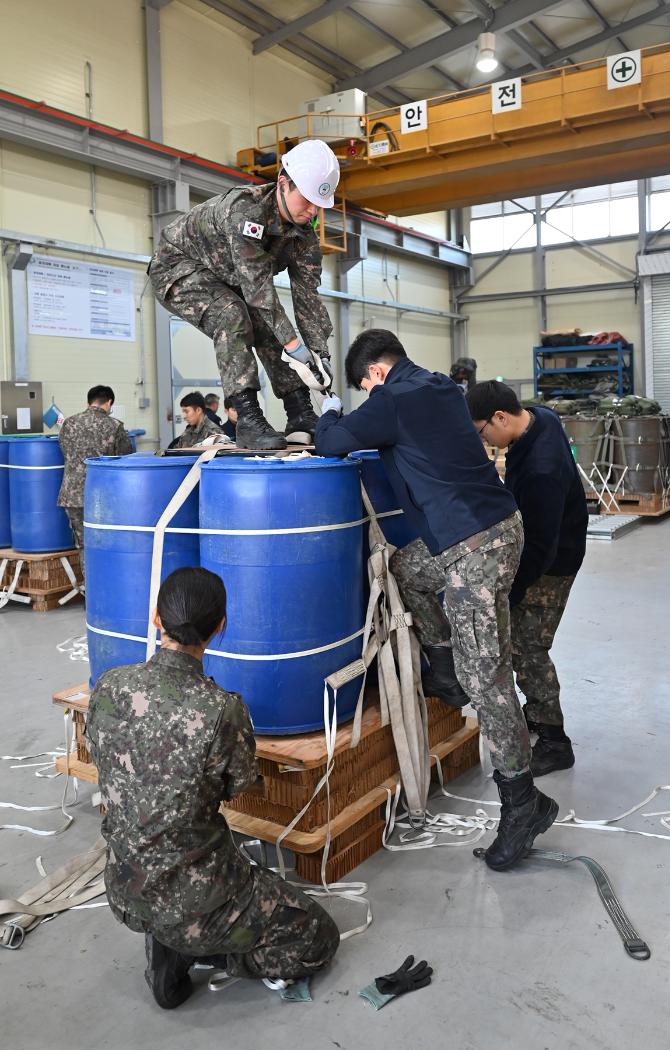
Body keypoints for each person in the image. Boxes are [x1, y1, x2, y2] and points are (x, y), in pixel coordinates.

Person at [314, 330, 558, 871]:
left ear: (375, 373)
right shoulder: (442, 387)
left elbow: (330, 442)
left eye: (363, 385)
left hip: (472, 546)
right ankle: (443, 664)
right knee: (407, 568)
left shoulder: (394, 400)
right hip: (489, 528)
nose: (365, 394)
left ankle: (524, 802)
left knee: (488, 680)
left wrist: (330, 411)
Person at [85, 566, 339, 1010]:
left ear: (155, 618)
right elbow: (237, 787)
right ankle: (198, 947)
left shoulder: (110, 686)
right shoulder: (221, 711)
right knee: (318, 937)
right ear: (221, 626)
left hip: (124, 890)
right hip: (198, 901)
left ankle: (171, 941)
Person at [148, 140, 339, 451]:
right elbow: (259, 293)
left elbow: (308, 296)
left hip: (228, 277)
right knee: (233, 314)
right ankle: (248, 416)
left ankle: (300, 412)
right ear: (282, 184)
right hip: (177, 266)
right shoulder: (246, 213)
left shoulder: (304, 234)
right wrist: (295, 348)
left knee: (270, 325)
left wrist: (319, 354)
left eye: (320, 204)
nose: (313, 211)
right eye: (306, 200)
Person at [467, 381, 588, 775]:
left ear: (501, 417)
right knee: (524, 643)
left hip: (553, 562)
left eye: (483, 432)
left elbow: (540, 549)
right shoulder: (541, 417)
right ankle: (538, 715)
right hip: (550, 541)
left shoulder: (542, 470)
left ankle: (555, 740)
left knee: (527, 648)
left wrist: (511, 592)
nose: (486, 442)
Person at [57, 385, 132, 572]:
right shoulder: (115, 426)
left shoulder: (69, 423)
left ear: (88, 402)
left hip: (72, 496)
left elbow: (64, 451)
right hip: (103, 496)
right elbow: (124, 460)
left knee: (83, 545)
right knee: (107, 542)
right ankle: (106, 587)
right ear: (109, 402)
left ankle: (90, 592)